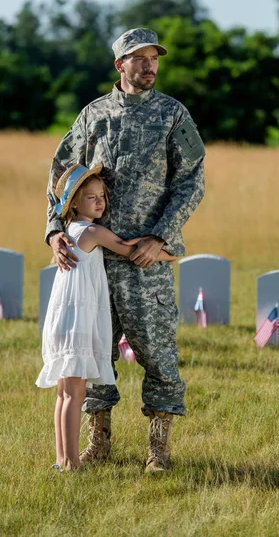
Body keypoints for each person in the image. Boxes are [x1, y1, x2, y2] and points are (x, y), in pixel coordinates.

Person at [45, 28, 205, 473]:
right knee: (94, 355)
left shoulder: (173, 114)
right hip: (92, 265)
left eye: (154, 59)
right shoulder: (94, 115)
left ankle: (159, 448)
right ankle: (99, 443)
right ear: (120, 65)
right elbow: (62, 172)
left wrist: (162, 237)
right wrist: (56, 228)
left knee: (158, 355)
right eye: (139, 59)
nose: (149, 66)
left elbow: (191, 182)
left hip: (144, 261)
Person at [37, 163, 176, 471]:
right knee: (75, 394)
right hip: (77, 323)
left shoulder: (69, 231)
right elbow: (128, 248)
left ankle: (63, 459)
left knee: (64, 394)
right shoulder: (92, 231)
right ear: (74, 203)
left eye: (102, 195)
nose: (100, 202)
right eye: (91, 198)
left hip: (62, 319)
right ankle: (72, 463)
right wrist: (169, 253)